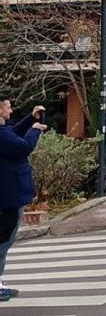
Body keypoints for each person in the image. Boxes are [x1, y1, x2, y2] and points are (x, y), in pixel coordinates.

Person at [0, 98, 45, 302]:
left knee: (5, 240)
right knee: (4, 241)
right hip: (8, 198)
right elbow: (23, 146)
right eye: (8, 107)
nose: (11, 110)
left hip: (9, 196)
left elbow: (14, 132)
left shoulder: (4, 133)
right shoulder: (2, 136)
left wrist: (30, 119)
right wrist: (34, 130)